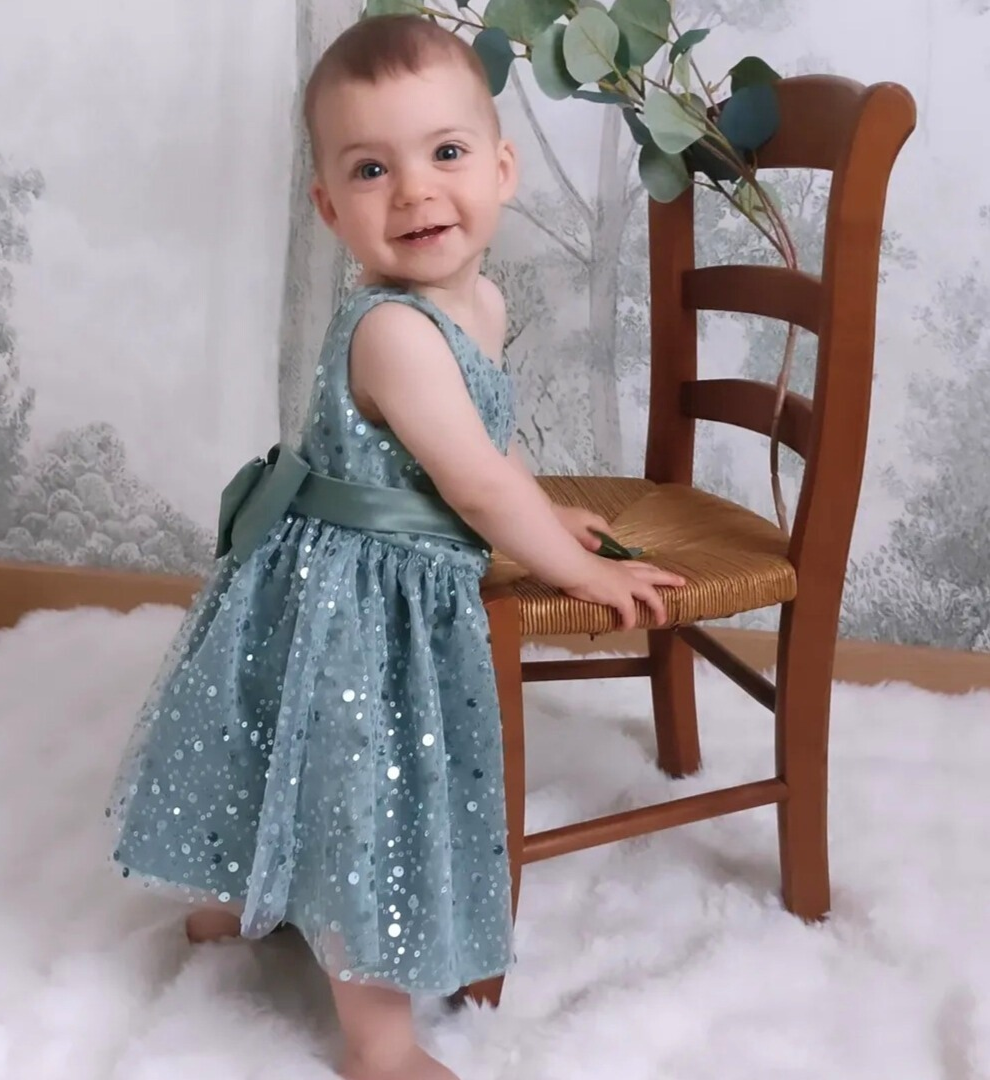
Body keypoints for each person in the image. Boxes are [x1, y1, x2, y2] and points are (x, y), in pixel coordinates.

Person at [106, 14, 684, 1080]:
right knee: (363, 798)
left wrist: (540, 512)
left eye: (446, 154)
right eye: (372, 169)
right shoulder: (391, 332)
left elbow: (477, 455)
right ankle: (376, 1042)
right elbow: (467, 483)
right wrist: (580, 569)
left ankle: (245, 900)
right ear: (330, 208)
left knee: (298, 763)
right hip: (354, 600)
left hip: (379, 575)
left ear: (502, 170)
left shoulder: (483, 303)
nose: (415, 192)